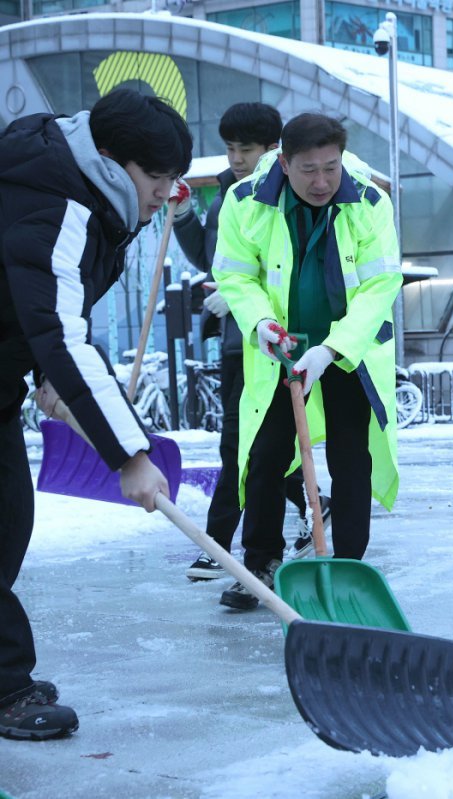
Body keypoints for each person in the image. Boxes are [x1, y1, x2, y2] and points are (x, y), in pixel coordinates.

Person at [0, 89, 192, 739]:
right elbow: (61, 328)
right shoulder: (57, 197)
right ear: (112, 159)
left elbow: (39, 312)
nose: (167, 192)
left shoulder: (84, 192)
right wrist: (129, 457)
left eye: (174, 178)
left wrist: (44, 376)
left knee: (6, 522)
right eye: (157, 176)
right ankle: (4, 687)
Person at [212, 113, 402, 610]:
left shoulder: (369, 202)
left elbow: (381, 285)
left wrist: (333, 349)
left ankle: (350, 565)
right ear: (283, 162)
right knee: (266, 454)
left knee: (350, 457)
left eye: (330, 168)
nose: (321, 181)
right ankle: (261, 563)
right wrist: (259, 324)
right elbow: (236, 276)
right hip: (282, 349)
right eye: (308, 170)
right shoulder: (244, 202)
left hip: (346, 351)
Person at [172, 102, 330, 583]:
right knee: (255, 449)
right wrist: (182, 214)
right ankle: (312, 504)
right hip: (237, 340)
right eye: (230, 148)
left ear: (274, 152)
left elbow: (277, 265)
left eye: (247, 149)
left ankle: (221, 544)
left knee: (244, 446)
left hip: (269, 342)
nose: (237, 158)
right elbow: (210, 256)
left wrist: (244, 301)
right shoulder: (228, 196)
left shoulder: (277, 195)